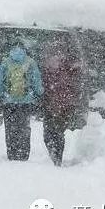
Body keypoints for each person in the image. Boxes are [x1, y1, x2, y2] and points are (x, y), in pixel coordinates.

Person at [0, 41, 42, 161]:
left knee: (10, 128)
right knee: (24, 127)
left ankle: (12, 152)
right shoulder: (30, 62)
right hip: (25, 102)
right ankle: (23, 153)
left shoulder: (6, 62)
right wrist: (38, 94)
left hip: (9, 102)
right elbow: (36, 82)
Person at [39, 36, 83, 166]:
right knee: (59, 131)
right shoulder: (73, 65)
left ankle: (54, 154)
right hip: (66, 104)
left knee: (49, 132)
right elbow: (77, 85)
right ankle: (57, 156)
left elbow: (44, 84)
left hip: (51, 103)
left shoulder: (49, 64)